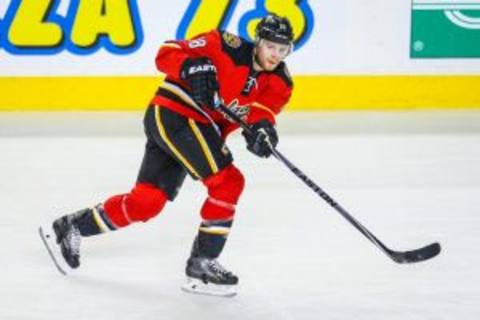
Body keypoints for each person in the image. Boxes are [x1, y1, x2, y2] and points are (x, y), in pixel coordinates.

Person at [40, 13, 294, 297]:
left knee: (146, 203)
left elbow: (262, 116)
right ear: (258, 41)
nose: (275, 55)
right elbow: (166, 53)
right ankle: (203, 263)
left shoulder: (280, 82)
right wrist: (191, 66)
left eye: (283, 49)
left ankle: (70, 227)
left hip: (194, 129)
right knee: (229, 182)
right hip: (175, 113)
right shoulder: (226, 45)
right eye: (271, 46)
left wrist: (262, 134)